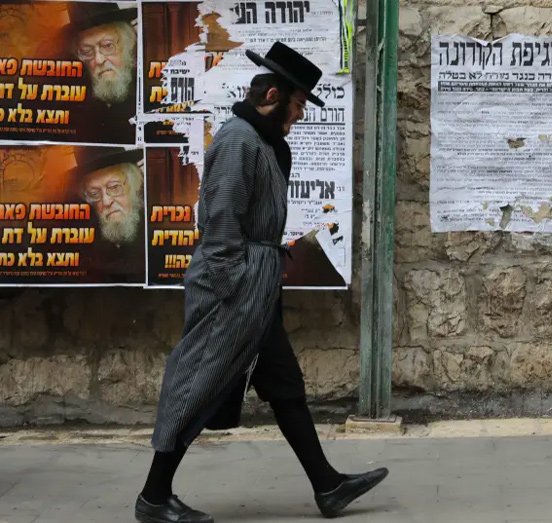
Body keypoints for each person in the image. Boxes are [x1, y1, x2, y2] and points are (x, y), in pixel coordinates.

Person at [135, 43, 388, 523]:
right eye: (295, 106)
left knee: (285, 383)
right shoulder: (239, 140)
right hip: (231, 291)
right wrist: (235, 284)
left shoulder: (263, 141)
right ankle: (153, 497)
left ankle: (328, 486)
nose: (297, 117)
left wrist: (268, 263)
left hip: (254, 289)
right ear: (272, 94)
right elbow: (222, 220)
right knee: (195, 383)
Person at [65, 4, 138, 144]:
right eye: (87, 52)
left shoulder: (150, 100)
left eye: (108, 46)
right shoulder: (77, 109)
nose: (98, 59)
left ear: (127, 45)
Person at [72, 147, 145, 283]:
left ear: (134, 184)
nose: (106, 201)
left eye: (115, 187)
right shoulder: (82, 243)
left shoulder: (157, 231)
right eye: (95, 194)